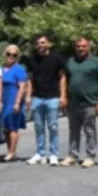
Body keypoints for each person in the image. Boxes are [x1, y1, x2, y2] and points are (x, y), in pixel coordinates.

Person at [61, 37, 98, 168]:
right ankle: (72, 156)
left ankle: (90, 156)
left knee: (89, 131)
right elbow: (64, 79)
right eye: (78, 46)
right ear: (75, 48)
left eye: (83, 46)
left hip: (90, 102)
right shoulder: (70, 62)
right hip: (73, 102)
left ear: (89, 47)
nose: (81, 48)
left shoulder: (97, 63)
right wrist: (64, 96)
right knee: (73, 130)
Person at [25, 35, 66, 166]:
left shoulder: (56, 58)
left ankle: (53, 154)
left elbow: (62, 77)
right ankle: (40, 154)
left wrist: (63, 95)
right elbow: (30, 79)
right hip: (37, 97)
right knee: (38, 127)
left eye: (43, 42)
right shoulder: (32, 59)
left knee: (53, 127)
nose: (40, 45)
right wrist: (28, 96)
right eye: (38, 43)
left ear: (49, 44)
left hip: (52, 97)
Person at [0, 44, 29, 161]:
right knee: (6, 127)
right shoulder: (1, 69)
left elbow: (22, 88)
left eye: (14, 55)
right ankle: (9, 151)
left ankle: (12, 152)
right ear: (5, 54)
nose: (11, 56)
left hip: (14, 100)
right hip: (4, 101)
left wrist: (17, 103)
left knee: (13, 127)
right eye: (9, 54)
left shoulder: (19, 69)